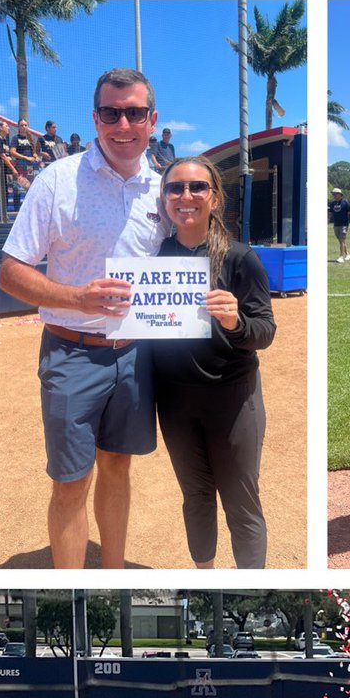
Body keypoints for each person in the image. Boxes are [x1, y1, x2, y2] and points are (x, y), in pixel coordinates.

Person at [0, 67, 166, 568]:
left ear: (151, 120)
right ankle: (72, 593)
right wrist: (78, 299)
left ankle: (111, 577)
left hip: (137, 354)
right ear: (96, 119)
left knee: (118, 468)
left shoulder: (164, 190)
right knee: (71, 481)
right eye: (111, 113)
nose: (123, 124)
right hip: (71, 350)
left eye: (134, 113)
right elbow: (10, 272)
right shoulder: (57, 181)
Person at [149, 153, 276, 569]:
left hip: (232, 397)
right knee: (196, 497)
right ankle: (206, 578)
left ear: (215, 198)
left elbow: (265, 332)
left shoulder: (240, 258)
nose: (186, 195)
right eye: (175, 187)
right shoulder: (150, 261)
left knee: (241, 502)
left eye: (198, 187)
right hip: (174, 400)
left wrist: (236, 320)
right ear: (164, 198)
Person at [329, 185, 350, 261]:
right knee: (341, 241)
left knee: (342, 239)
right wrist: (328, 220)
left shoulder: (345, 203)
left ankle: (341, 257)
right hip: (336, 225)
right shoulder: (332, 204)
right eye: (333, 194)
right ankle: (348, 254)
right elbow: (330, 213)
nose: (334, 195)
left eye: (336, 193)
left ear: (340, 194)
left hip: (344, 225)